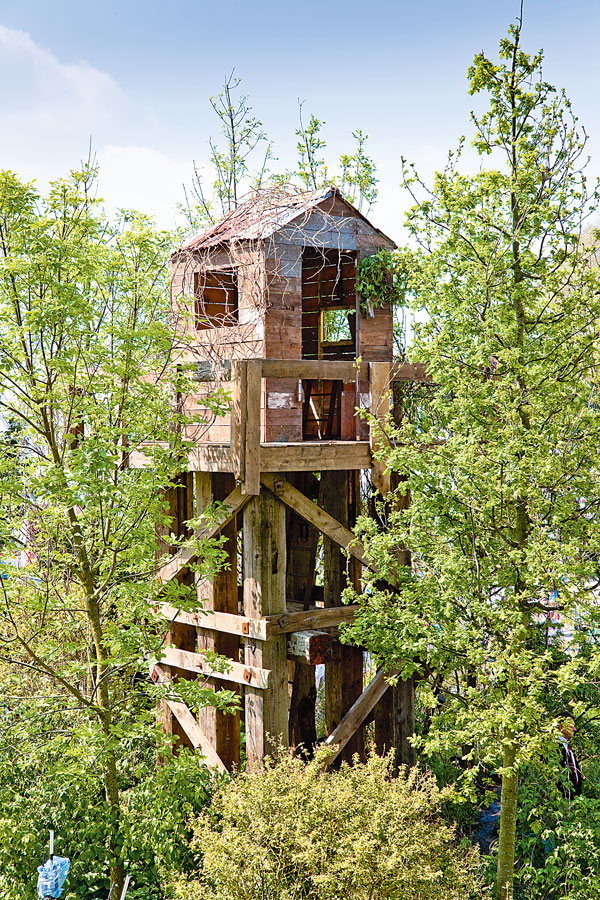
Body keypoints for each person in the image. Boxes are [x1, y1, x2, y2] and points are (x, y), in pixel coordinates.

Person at [558, 715, 582, 798]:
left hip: (574, 799)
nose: (575, 729)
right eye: (571, 726)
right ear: (561, 727)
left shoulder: (569, 748)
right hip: (561, 799)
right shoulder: (553, 747)